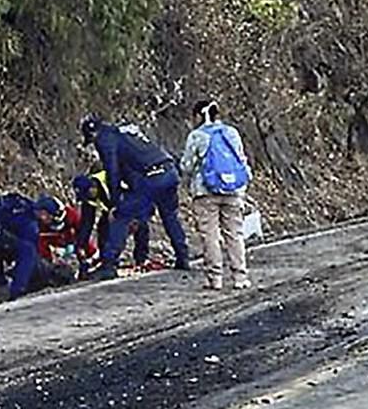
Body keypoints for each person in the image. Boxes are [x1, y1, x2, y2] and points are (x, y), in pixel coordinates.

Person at [79, 115, 190, 280]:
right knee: (169, 215)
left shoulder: (106, 139)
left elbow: (112, 171)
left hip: (150, 177)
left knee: (121, 216)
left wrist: (115, 204)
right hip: (169, 171)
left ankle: (109, 265)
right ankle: (183, 257)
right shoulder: (128, 133)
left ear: (93, 133)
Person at [179, 99, 251, 291]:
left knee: (210, 235)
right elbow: (241, 160)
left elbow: (186, 166)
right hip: (234, 190)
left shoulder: (197, 136)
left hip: (205, 192)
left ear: (198, 116)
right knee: (235, 233)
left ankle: (215, 279)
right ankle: (240, 277)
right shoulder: (231, 133)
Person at [71, 170, 150, 276]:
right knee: (103, 226)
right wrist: (81, 245)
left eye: (88, 195)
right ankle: (106, 262)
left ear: (93, 187)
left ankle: (141, 259)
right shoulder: (89, 195)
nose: (88, 199)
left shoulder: (111, 179)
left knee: (137, 225)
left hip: (134, 200)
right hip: (114, 207)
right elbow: (87, 223)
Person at [32, 194, 98, 268]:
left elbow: (83, 233)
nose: (41, 217)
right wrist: (50, 258)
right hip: (55, 248)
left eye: (43, 214)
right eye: (39, 214)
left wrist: (85, 251)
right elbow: (41, 241)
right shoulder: (39, 225)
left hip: (72, 244)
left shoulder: (70, 216)